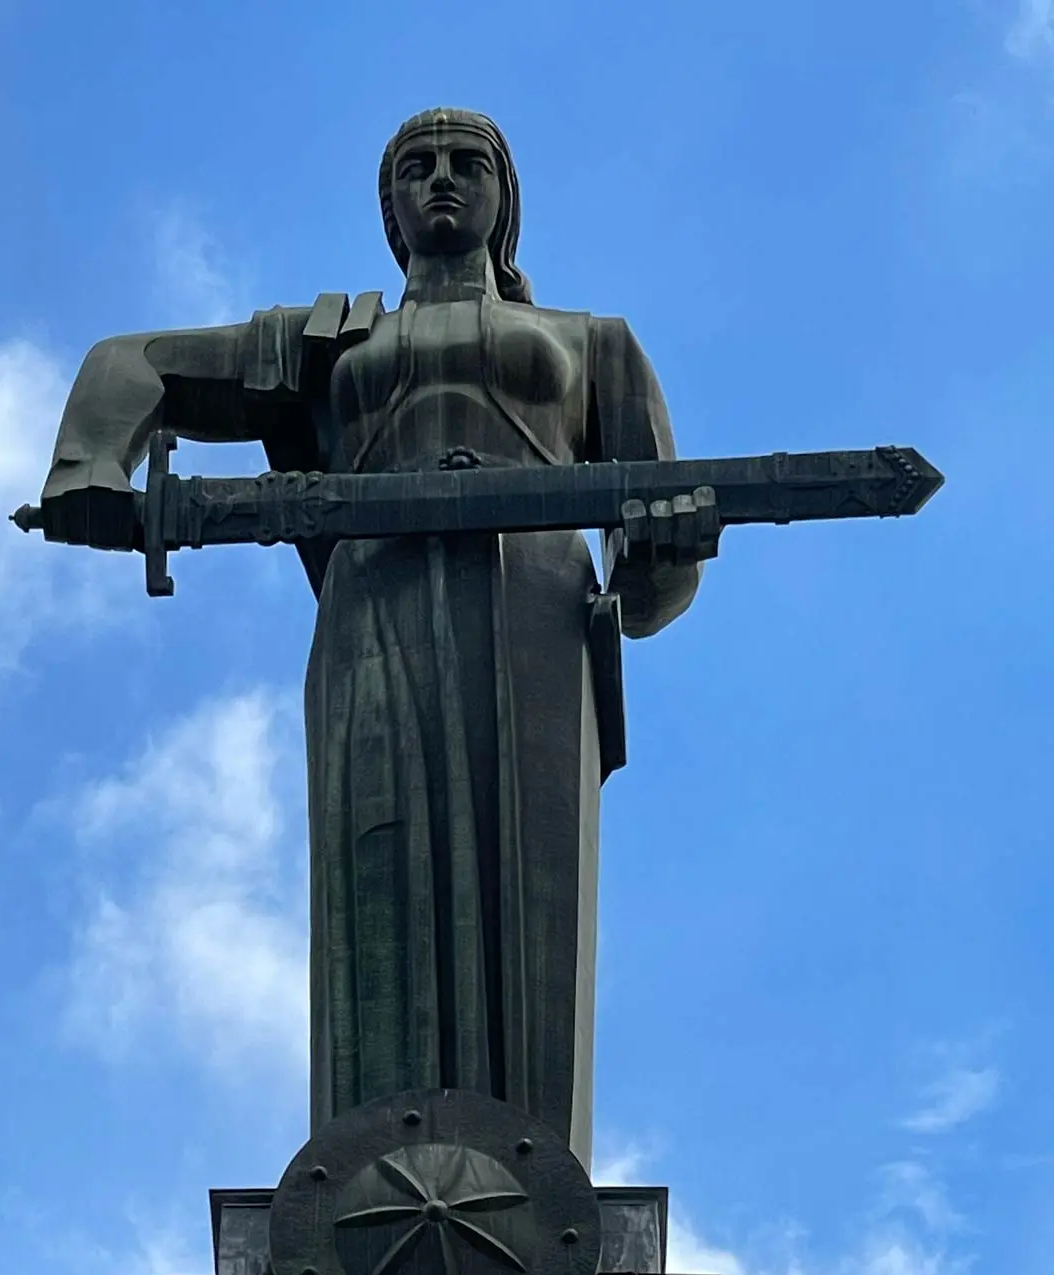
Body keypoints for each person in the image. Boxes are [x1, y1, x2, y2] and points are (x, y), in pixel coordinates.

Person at [39, 108, 703, 1169]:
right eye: (416, 169)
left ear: (505, 196)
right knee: (374, 868)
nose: (441, 180)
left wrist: (665, 553)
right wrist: (87, 466)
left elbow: (660, 579)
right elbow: (140, 361)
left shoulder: (594, 344)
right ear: (389, 210)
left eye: (466, 164)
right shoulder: (333, 340)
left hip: (534, 605)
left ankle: (534, 1173)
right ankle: (368, 1168)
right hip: (376, 602)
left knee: (534, 879)